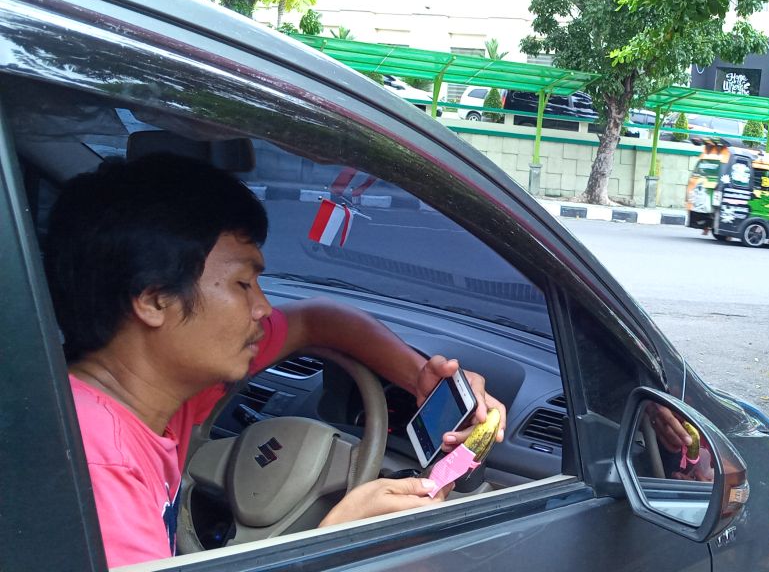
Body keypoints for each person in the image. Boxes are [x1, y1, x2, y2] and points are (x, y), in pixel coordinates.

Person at [46, 153, 508, 568]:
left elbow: (315, 321)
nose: (263, 308)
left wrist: (418, 377)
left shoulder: (162, 392)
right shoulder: (97, 465)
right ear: (153, 301)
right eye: (244, 284)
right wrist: (336, 541)